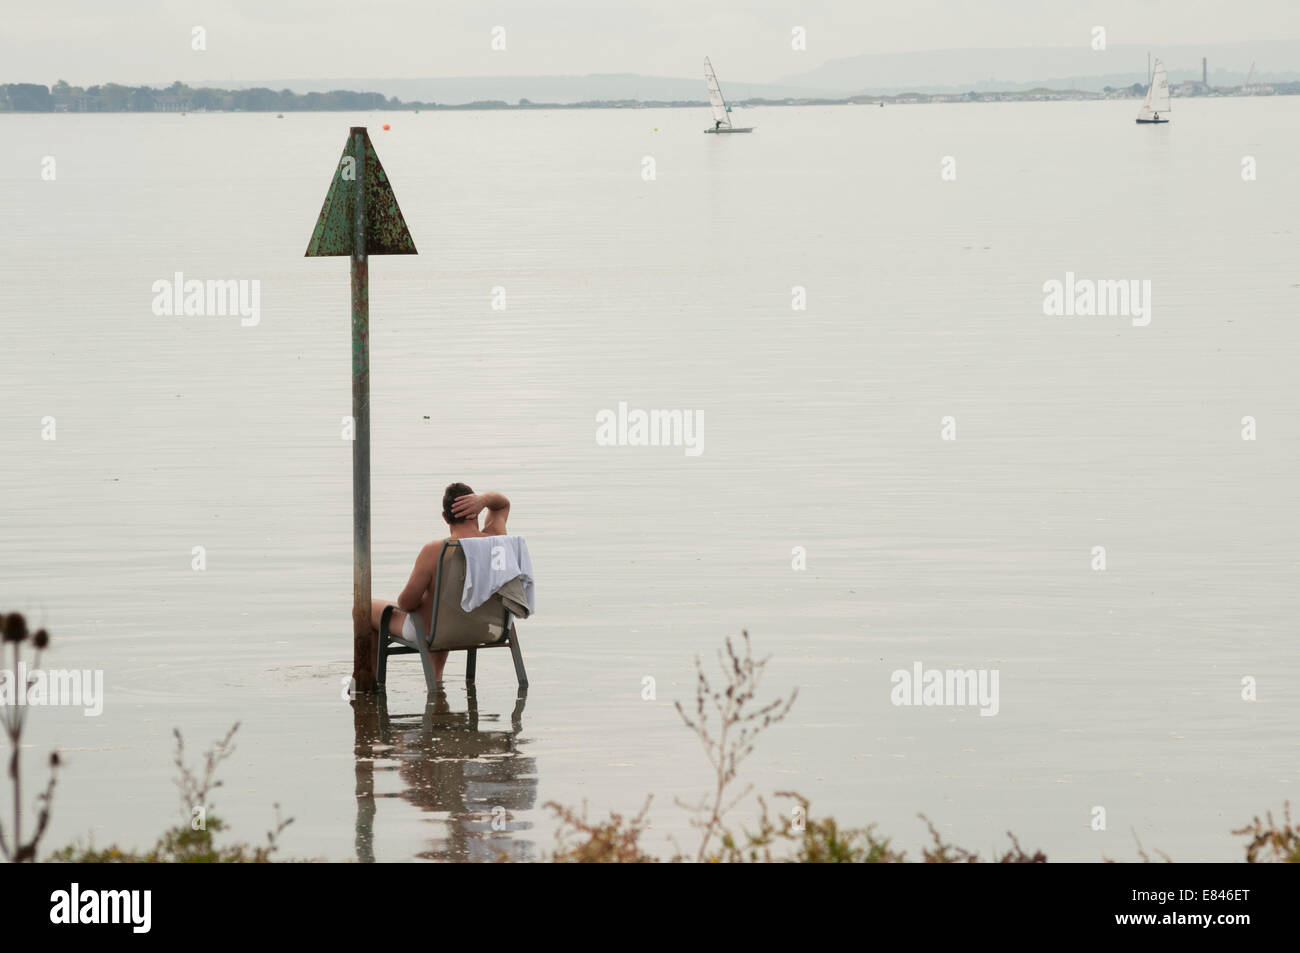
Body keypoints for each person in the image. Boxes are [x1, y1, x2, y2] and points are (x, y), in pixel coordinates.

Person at [370, 483, 510, 683]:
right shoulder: (497, 541)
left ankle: (367, 681)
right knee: (440, 603)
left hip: (439, 633)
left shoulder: (435, 551)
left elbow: (407, 603)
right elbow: (502, 505)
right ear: (476, 512)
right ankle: (437, 681)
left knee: (365, 608)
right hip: (486, 630)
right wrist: (484, 500)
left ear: (445, 517)